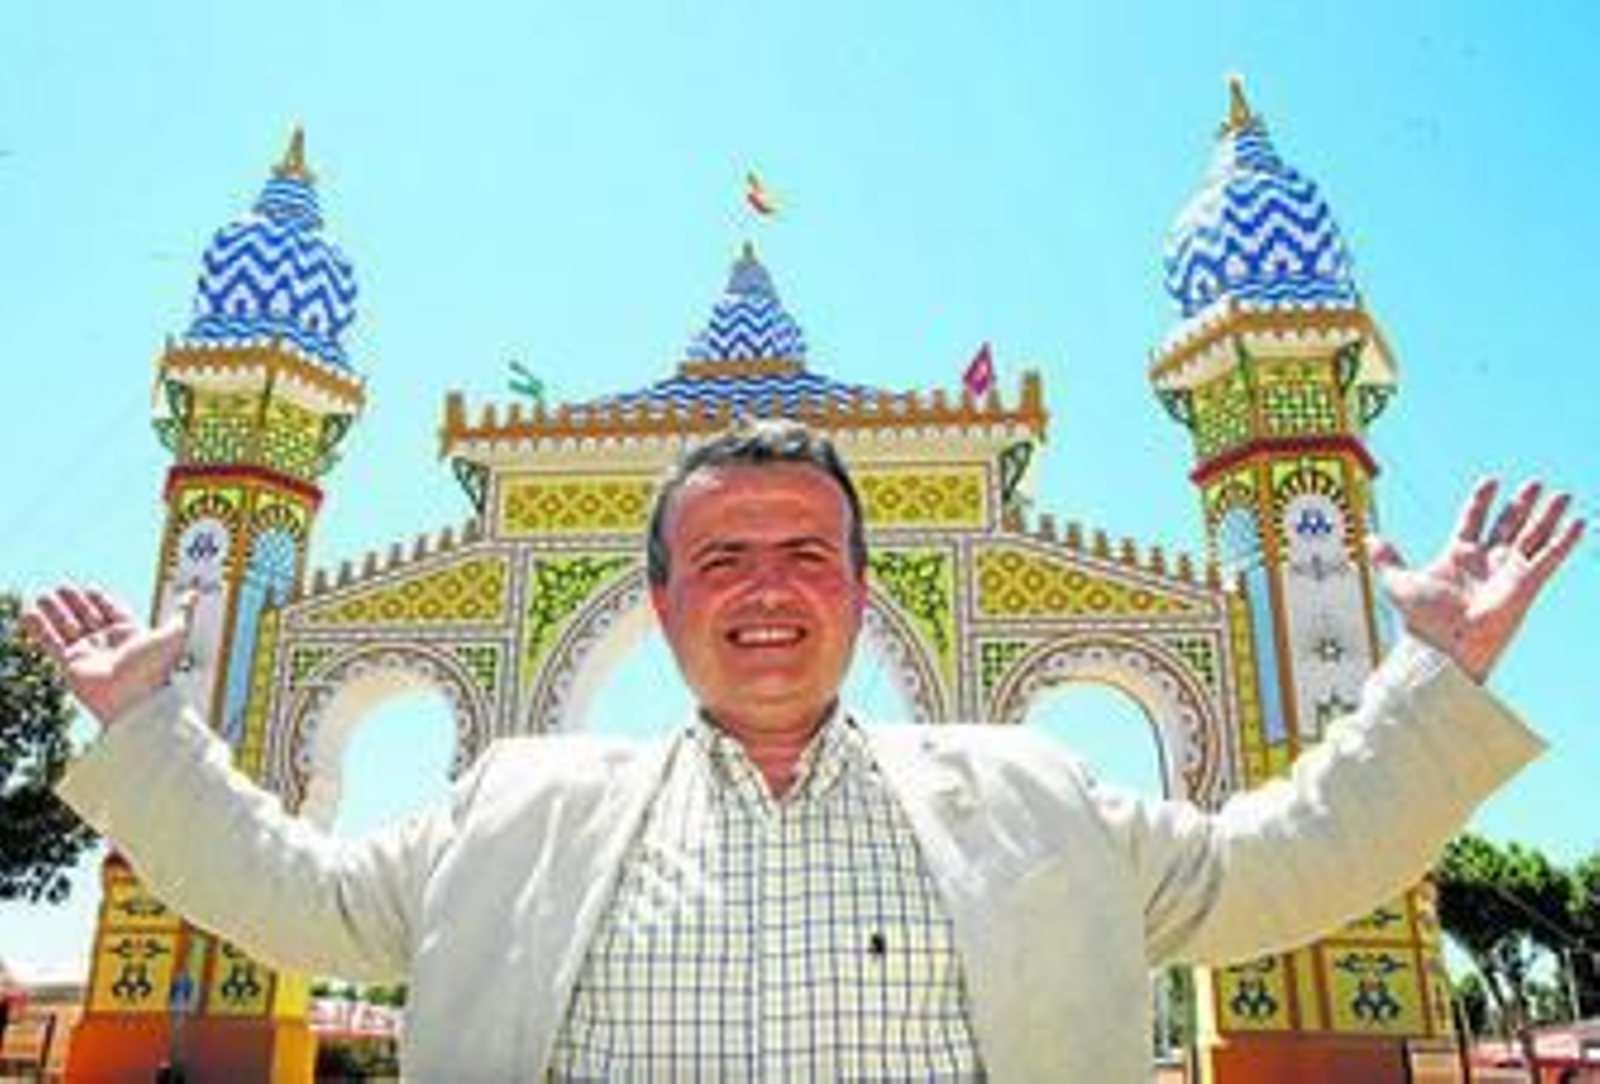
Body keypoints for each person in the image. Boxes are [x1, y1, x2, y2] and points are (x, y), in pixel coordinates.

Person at [25, 420, 1584, 1081]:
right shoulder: (520, 807)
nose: (765, 591)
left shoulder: (1026, 796)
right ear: (652, 602)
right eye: (718, 560)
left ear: (862, 590)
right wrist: (148, 734)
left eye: (806, 556)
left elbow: (1277, 870)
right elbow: (295, 898)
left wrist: (1430, 680)